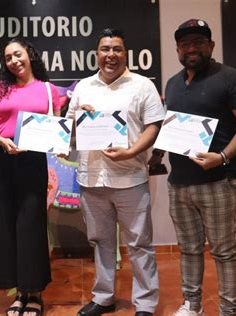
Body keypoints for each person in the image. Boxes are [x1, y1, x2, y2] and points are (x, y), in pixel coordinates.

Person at [163, 19, 236, 316]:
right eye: (184, 44)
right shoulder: (173, 83)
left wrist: (222, 156)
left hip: (219, 180)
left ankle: (227, 311)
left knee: (223, 252)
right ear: (178, 49)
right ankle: (192, 306)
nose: (190, 48)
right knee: (188, 249)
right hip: (178, 182)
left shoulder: (231, 78)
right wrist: (156, 155)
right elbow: (174, 130)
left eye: (197, 42)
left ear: (211, 46)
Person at [65, 29, 165, 316]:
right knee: (101, 242)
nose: (111, 55)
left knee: (139, 244)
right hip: (91, 178)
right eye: (105, 49)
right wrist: (79, 118)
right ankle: (103, 297)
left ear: (125, 53)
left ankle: (145, 304)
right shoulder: (83, 86)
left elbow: (154, 127)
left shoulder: (143, 85)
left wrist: (133, 151)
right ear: (97, 53)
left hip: (130, 178)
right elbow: (68, 131)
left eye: (117, 49)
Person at [0, 38, 61, 316]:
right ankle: (15, 292)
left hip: (32, 160)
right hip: (1, 159)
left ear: (30, 55)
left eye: (17, 54)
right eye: (8, 57)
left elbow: (58, 128)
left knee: (31, 225)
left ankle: (33, 292)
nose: (13, 61)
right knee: (3, 225)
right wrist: (2, 141)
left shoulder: (49, 90)